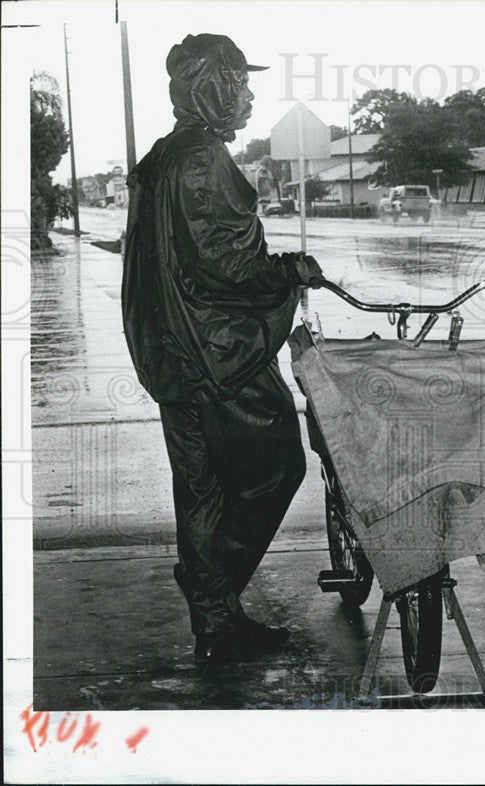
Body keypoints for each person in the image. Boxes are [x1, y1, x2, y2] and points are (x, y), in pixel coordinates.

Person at [121, 33, 323, 665]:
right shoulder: (202, 159)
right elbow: (227, 265)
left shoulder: (162, 157)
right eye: (237, 80)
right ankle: (212, 594)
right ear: (209, 86)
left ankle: (216, 623)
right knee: (277, 468)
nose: (248, 92)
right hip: (218, 358)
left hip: (173, 361)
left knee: (201, 491)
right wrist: (290, 270)